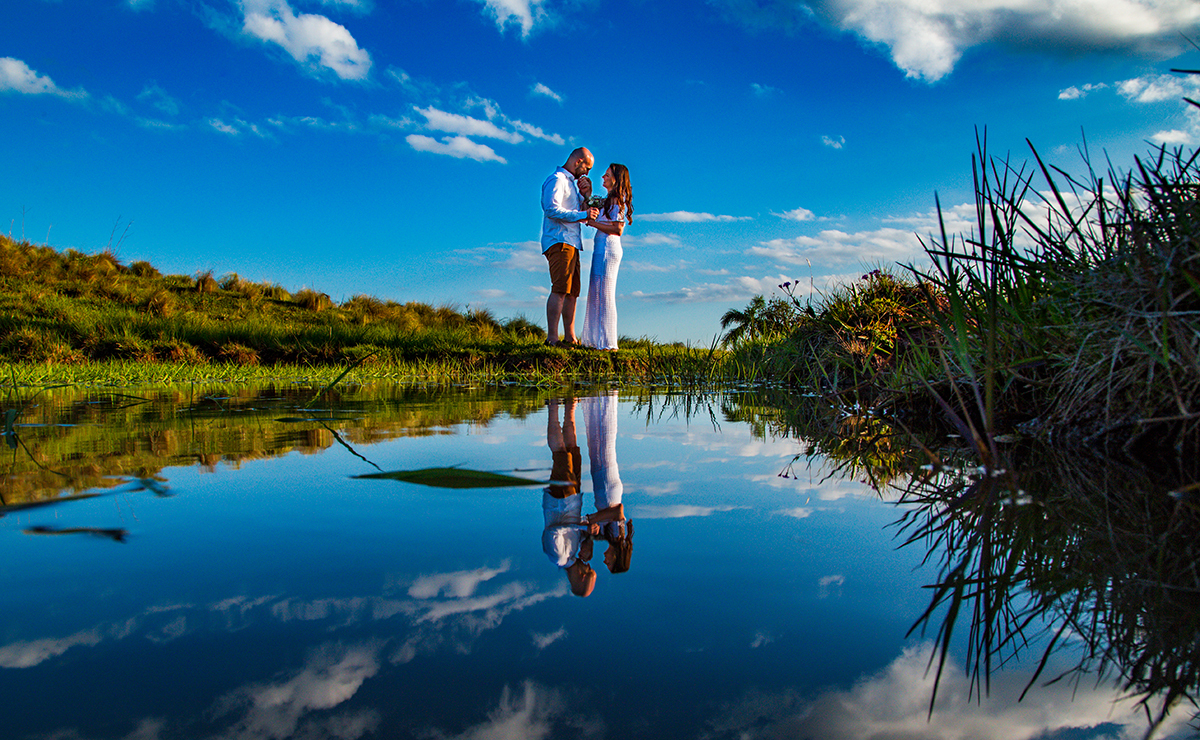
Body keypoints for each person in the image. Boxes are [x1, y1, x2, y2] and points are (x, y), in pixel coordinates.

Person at [541, 148, 600, 347]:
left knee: (572, 291)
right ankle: (552, 338)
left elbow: (584, 215)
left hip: (573, 243)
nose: (587, 173)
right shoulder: (557, 179)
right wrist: (583, 215)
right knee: (559, 288)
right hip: (559, 240)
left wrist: (586, 195)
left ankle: (570, 337)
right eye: (587, 168)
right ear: (579, 162)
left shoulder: (572, 185)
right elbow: (550, 209)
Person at [541, 397, 596, 597]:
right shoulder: (572, 553)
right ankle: (570, 406)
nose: (588, 565)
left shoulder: (558, 557)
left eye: (588, 570)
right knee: (573, 451)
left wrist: (580, 528)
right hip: (573, 499)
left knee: (560, 454)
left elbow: (553, 531)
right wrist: (588, 536)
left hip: (560, 502)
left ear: (582, 576)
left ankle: (553, 406)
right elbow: (578, 526)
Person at [580, 164, 634, 351]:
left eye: (607, 175)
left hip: (607, 249)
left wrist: (593, 223)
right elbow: (590, 205)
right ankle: (596, 341)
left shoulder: (617, 200)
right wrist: (587, 194)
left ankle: (607, 343)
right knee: (597, 293)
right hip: (601, 248)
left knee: (604, 294)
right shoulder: (607, 200)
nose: (603, 176)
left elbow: (617, 229)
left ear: (615, 179)